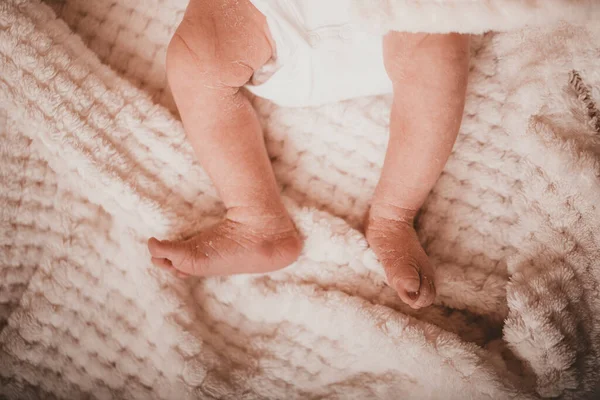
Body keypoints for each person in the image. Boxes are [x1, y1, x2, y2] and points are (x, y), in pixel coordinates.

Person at [148, 0, 470, 309]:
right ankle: (254, 218)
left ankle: (394, 216)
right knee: (194, 57)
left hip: (397, 20)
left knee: (440, 48)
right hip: (266, 17)